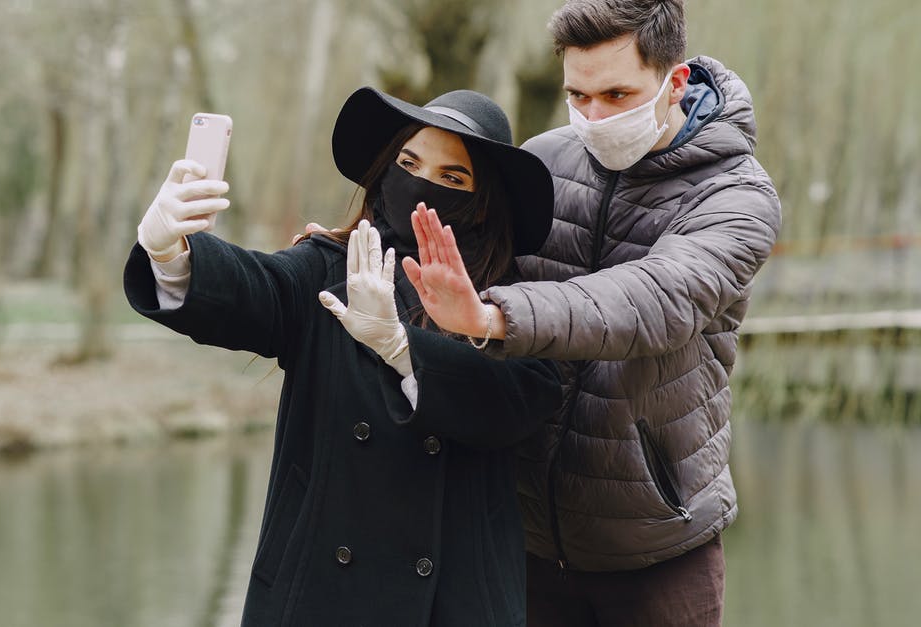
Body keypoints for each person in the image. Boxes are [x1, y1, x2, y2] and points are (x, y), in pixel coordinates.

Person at [398, 1, 782, 625]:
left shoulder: (738, 195)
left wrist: (494, 317)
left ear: (674, 82)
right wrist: (342, 246)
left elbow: (655, 299)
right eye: (578, 95)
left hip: (657, 552)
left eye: (617, 94)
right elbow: (451, 251)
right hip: (517, 542)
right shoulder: (545, 160)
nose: (594, 117)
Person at [124, 87, 562, 625]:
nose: (423, 185)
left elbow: (518, 403)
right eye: (409, 162)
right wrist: (169, 252)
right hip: (318, 597)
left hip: (455, 603)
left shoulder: (511, 308)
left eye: (453, 178)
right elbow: (256, 289)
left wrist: (403, 349)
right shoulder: (329, 267)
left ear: (483, 203)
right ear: (384, 172)